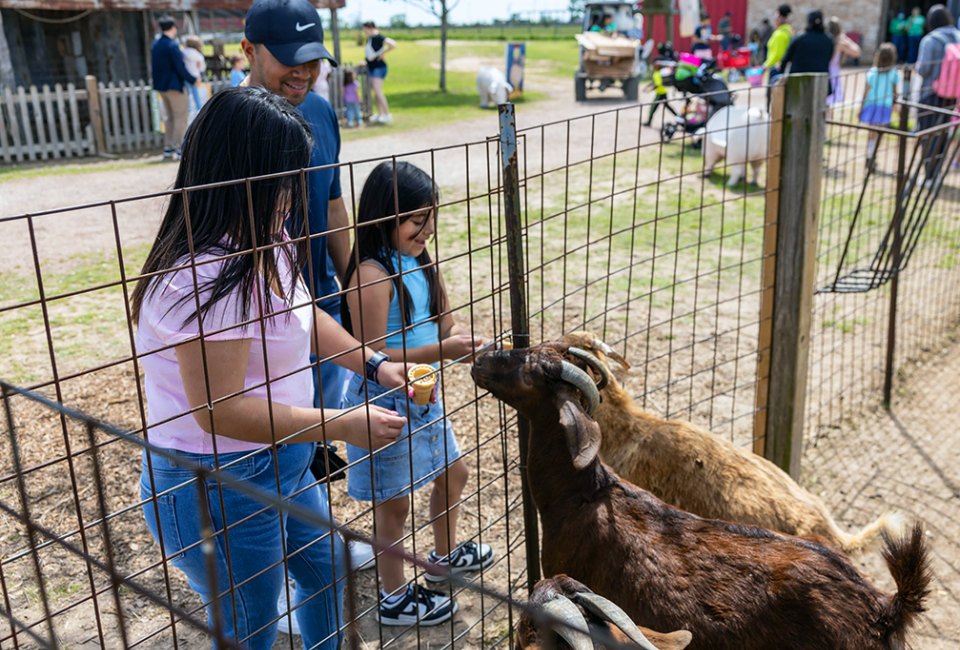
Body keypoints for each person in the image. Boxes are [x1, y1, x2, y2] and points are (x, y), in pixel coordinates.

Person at [132, 87, 408, 650]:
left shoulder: (265, 238)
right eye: (286, 178)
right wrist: (343, 424)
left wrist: (375, 363)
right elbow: (222, 413)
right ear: (244, 176)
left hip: (280, 462)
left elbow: (307, 318)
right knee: (249, 626)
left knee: (326, 573)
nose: (298, 193)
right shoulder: (203, 277)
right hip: (217, 482)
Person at [240, 0, 412, 639]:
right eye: (291, 58)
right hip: (255, 309)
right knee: (267, 423)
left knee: (309, 423)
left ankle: (305, 545)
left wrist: (351, 276)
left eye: (314, 59)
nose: (305, 72)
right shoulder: (231, 125)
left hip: (311, 295)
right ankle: (275, 567)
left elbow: (333, 200)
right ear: (249, 50)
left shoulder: (316, 109)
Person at [341, 161, 495, 627]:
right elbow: (374, 352)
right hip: (382, 397)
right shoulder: (370, 276)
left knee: (455, 473)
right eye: (416, 220)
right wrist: (444, 349)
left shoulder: (421, 263)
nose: (427, 230)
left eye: (431, 218)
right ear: (383, 218)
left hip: (422, 393)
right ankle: (393, 599)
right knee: (395, 502)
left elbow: (444, 325)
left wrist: (466, 345)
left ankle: (443, 556)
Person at [915, 4, 960, 184]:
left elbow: (923, 69)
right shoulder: (958, 36)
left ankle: (929, 175)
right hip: (951, 95)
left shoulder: (930, 40)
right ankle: (937, 173)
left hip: (930, 94)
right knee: (942, 134)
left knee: (927, 134)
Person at [150, 15, 196, 160]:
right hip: (175, 86)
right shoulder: (172, 45)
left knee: (168, 118)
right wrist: (193, 79)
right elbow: (180, 66)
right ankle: (178, 148)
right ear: (172, 28)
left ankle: (168, 148)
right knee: (180, 117)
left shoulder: (155, 44)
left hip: (161, 87)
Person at [860, 43, 901, 169]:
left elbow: (865, 91)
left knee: (871, 132)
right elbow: (895, 93)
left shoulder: (872, 73)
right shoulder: (893, 74)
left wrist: (861, 106)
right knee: (879, 133)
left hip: (871, 104)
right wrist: (896, 105)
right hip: (884, 106)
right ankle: (873, 155)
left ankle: (869, 154)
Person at [778, 10, 834, 81]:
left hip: (798, 83)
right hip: (821, 82)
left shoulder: (799, 38)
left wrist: (781, 74)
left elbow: (786, 59)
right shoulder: (829, 40)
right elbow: (830, 57)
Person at [363, 21, 397, 124]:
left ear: (370, 28)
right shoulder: (370, 39)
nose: (364, 31)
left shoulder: (378, 37)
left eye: (365, 29)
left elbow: (393, 44)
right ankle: (381, 114)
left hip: (379, 68)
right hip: (372, 67)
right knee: (376, 92)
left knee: (378, 91)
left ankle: (387, 114)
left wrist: (383, 53)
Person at [826, 17, 862, 106]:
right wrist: (846, 39)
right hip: (833, 73)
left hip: (824, 71)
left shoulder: (824, 39)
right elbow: (857, 51)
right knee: (832, 102)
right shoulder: (840, 43)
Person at [764, 4, 793, 85]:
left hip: (776, 68)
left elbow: (777, 55)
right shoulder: (789, 31)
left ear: (780, 18)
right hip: (784, 68)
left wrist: (766, 65)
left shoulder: (779, 34)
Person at [644, 59, 678, 127]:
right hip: (663, 92)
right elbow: (653, 82)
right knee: (667, 107)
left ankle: (648, 122)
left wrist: (649, 90)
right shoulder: (660, 73)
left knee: (653, 108)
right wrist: (647, 87)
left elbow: (657, 84)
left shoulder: (656, 74)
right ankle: (678, 117)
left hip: (660, 94)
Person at [182, 35, 207, 117]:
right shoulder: (198, 55)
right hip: (196, 76)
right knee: (196, 93)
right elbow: (202, 68)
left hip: (186, 76)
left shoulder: (183, 52)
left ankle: (188, 109)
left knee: (187, 93)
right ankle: (199, 109)